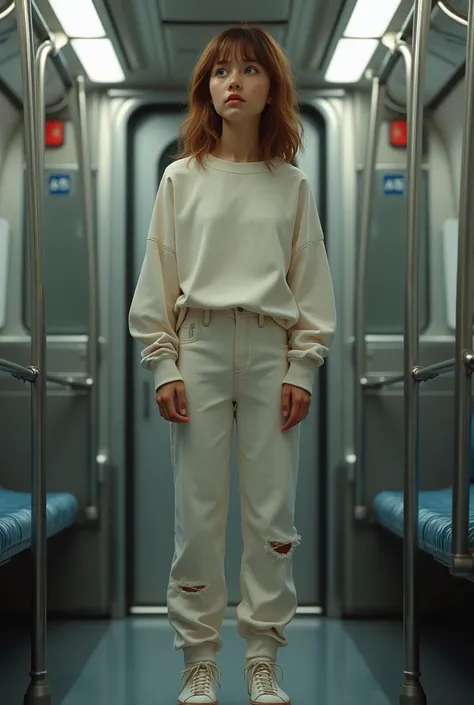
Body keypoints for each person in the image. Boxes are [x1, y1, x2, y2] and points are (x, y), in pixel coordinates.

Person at [129, 24, 336, 705]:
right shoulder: (181, 178)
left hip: (272, 354)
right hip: (203, 348)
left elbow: (311, 286)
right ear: (207, 89)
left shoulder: (292, 185)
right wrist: (163, 363)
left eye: (249, 70)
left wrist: (303, 367)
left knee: (272, 516)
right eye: (221, 72)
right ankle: (199, 660)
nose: (234, 82)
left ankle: (263, 659)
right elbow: (158, 280)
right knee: (199, 512)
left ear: (271, 87)